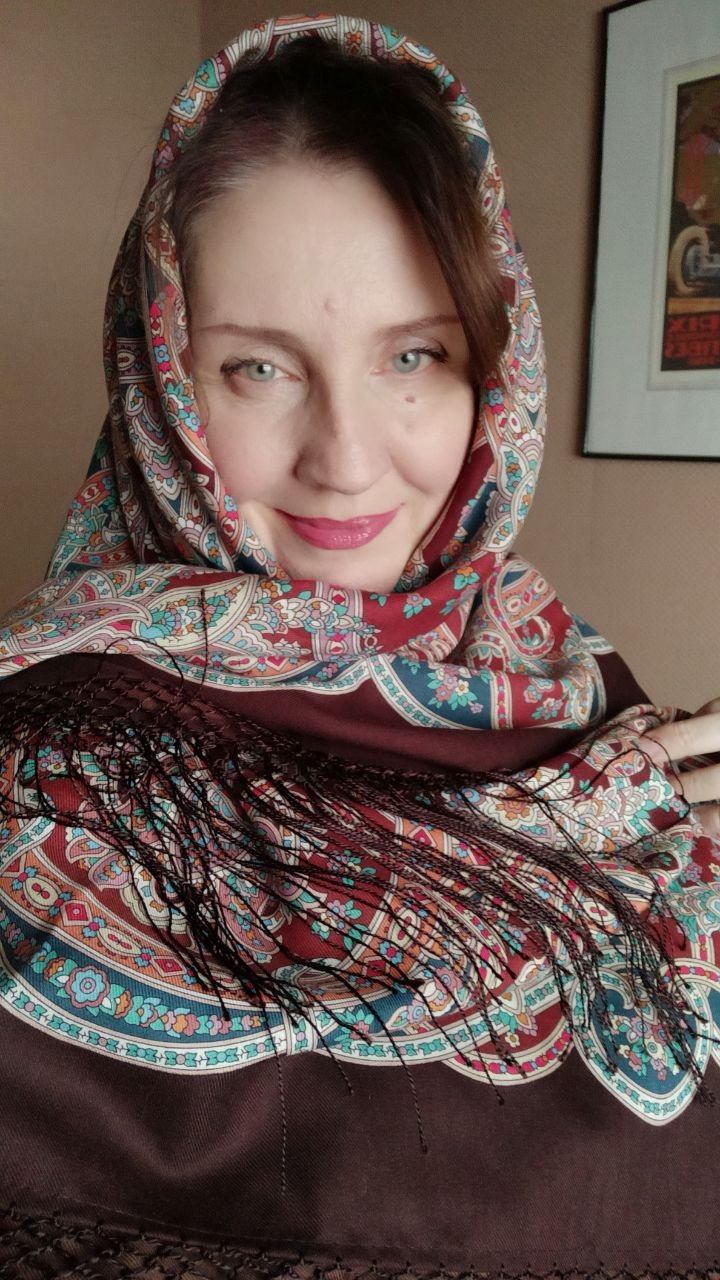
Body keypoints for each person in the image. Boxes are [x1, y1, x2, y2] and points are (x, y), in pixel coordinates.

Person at [0, 14, 719, 1277]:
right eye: (258, 369)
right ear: (163, 382)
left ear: (494, 371)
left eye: (413, 354)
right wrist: (536, 839)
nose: (343, 458)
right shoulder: (42, 747)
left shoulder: (564, 671)